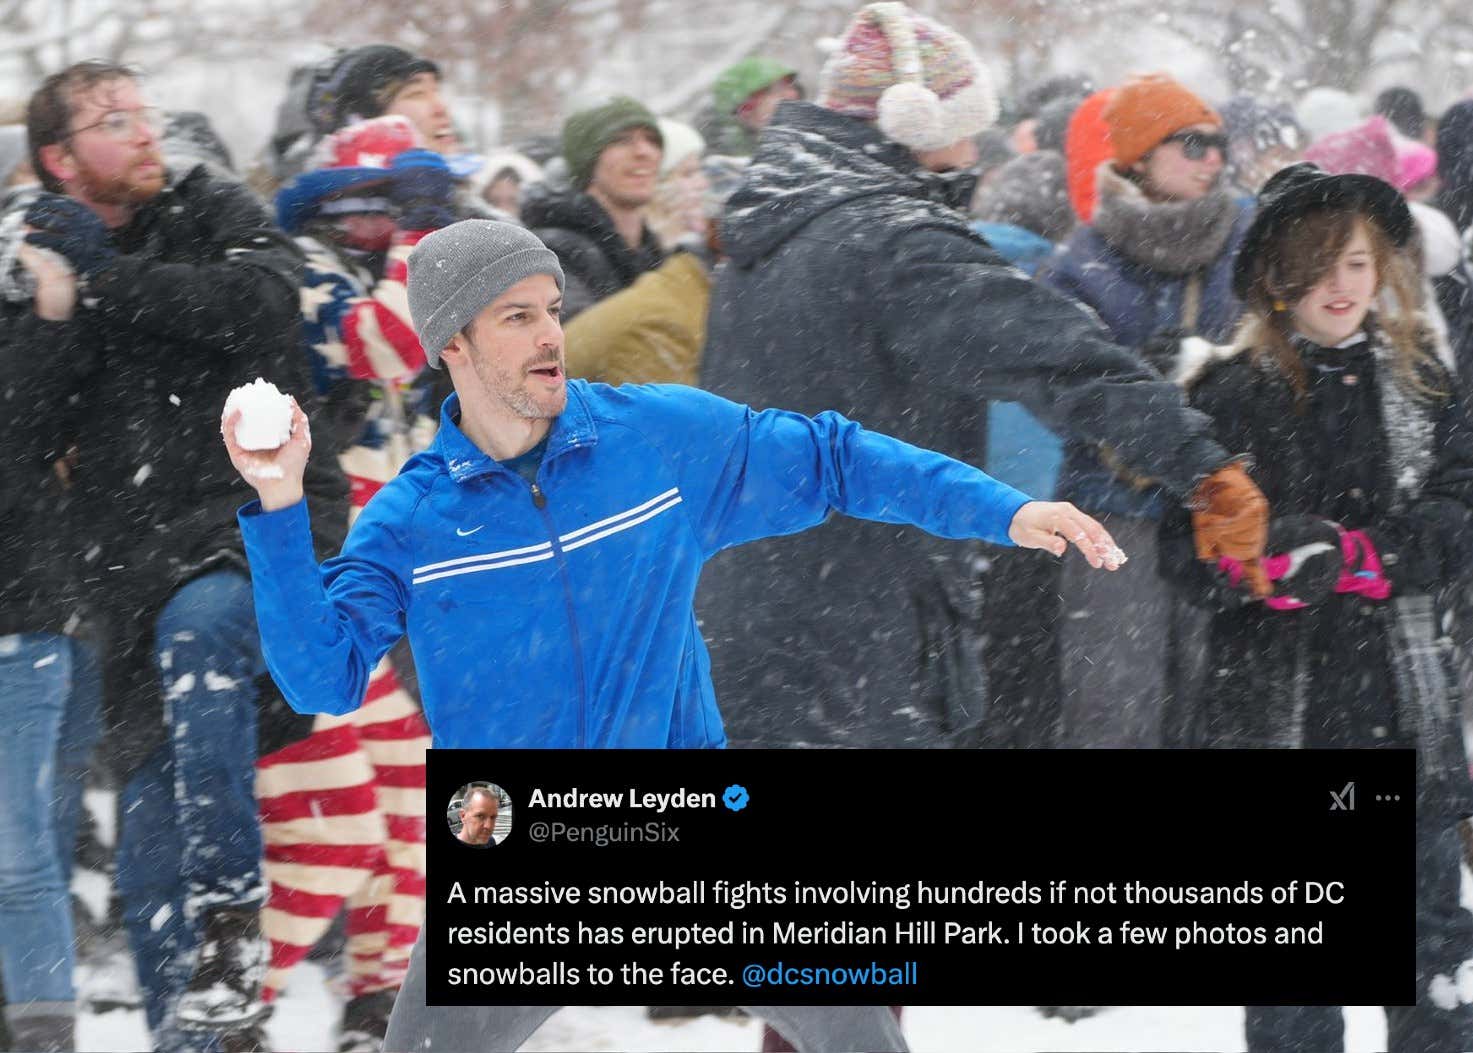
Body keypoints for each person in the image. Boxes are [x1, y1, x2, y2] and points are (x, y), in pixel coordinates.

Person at [223, 217, 1122, 1053]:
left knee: (858, 1036)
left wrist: (1003, 509)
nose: (549, 335)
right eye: (516, 316)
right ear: (452, 342)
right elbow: (322, 678)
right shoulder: (414, 519)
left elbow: (833, 456)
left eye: (552, 310)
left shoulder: (648, 438)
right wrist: (277, 503)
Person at [699, 4, 1268, 755]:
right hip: (861, 625)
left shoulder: (760, 237)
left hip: (753, 605)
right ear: (912, 125)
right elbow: (1059, 354)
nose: (974, 151)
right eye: (963, 126)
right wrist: (1202, 466)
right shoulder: (893, 243)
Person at [22, 60, 348, 1052]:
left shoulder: (216, 207)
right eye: (112, 122)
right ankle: (198, 1030)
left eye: (142, 112)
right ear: (61, 161)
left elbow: (253, 310)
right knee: (148, 846)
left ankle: (232, 925)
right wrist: (50, 309)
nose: (144, 132)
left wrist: (108, 279)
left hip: (252, 518)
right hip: (122, 569)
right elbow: (31, 424)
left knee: (204, 630)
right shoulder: (42, 261)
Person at [1160, 160, 1473, 1053]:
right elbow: (1181, 555)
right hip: (1276, 718)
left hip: (1401, 713)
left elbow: (1457, 520)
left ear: (1383, 273)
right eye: (1316, 264)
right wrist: (1256, 564)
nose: (1338, 287)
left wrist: (1363, 557)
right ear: (1272, 279)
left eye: (1357, 265)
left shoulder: (1424, 389)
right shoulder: (1227, 394)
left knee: (1430, 954)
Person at [266, 112, 449, 1051]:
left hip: (397, 557)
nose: (382, 225)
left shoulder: (381, 271)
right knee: (340, 820)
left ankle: (374, 1004)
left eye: (397, 208)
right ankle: (232, 998)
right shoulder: (297, 268)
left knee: (413, 792)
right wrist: (424, 238)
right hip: (329, 561)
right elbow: (383, 346)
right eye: (369, 205)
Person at [1041, 74, 1253, 750]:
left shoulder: (1250, 237)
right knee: (1112, 706)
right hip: (1112, 509)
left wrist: (1216, 367)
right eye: (1190, 144)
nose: (1211, 160)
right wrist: (1136, 378)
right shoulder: (1080, 262)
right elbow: (1056, 392)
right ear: (1135, 154)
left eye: (1217, 144)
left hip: (1225, 498)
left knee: (1214, 699)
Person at [0, 132, 105, 1053]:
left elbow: (27, 432)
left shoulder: (35, 316)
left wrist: (52, 307)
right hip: (33, 613)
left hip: (22, 625)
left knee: (21, 850)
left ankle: (42, 1027)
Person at [521, 96, 665, 320]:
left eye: (653, 140)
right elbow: (584, 343)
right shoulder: (553, 253)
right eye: (622, 140)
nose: (644, 151)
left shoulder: (656, 253)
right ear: (588, 160)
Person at [708, 57, 802, 155]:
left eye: (790, 86)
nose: (792, 94)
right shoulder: (729, 165)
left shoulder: (806, 142)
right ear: (745, 110)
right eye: (777, 91)